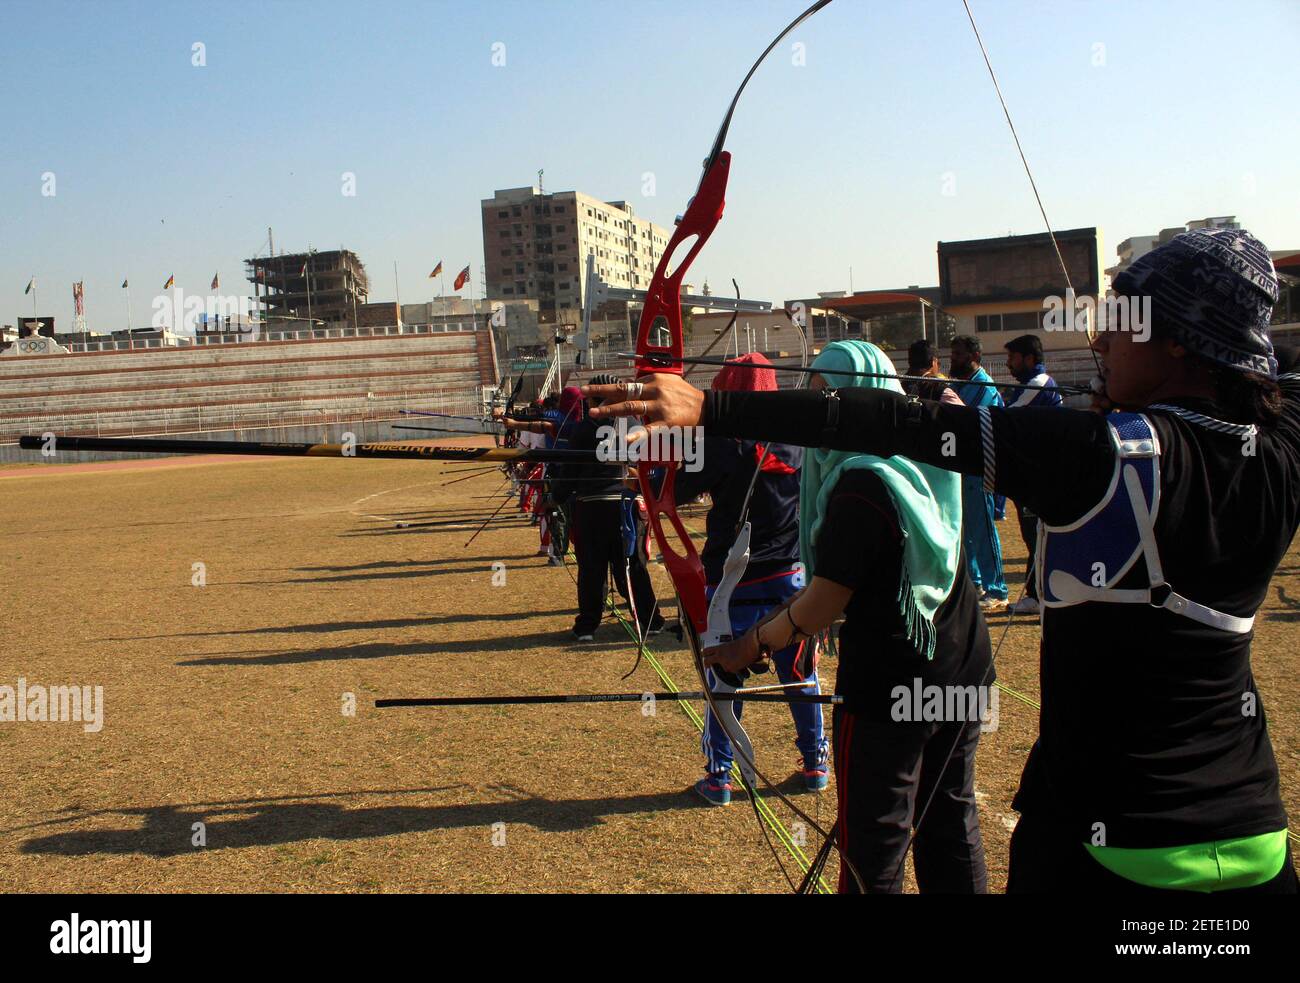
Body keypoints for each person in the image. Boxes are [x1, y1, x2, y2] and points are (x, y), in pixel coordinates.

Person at [586, 227, 1299, 895]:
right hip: (1257, 842)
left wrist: (712, 408)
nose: (1100, 332)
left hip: (1107, 847)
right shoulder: (1281, 449)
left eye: (1124, 317)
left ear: (1183, 342)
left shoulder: (1098, 455)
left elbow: (894, 423)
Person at [670, 353, 827, 804]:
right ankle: (816, 764)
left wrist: (671, 453)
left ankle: (720, 776)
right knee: (800, 674)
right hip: (789, 577)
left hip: (731, 581)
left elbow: (676, 491)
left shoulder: (722, 439)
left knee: (723, 671)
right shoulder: (797, 436)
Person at [549, 375, 662, 642]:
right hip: (628, 506)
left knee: (591, 568)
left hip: (592, 508)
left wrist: (557, 495)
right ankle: (650, 620)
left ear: (593, 399)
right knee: (633, 565)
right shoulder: (635, 423)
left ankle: (587, 626)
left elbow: (569, 472)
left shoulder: (585, 428)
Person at [1000, 334, 1063, 615]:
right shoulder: (1030, 385)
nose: (1008, 364)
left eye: (1013, 358)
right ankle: (1040, 593)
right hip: (1033, 472)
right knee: (1034, 535)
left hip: (1040, 474)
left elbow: (1005, 418)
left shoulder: (1038, 384)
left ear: (1029, 358)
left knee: (1036, 535)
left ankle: (1038, 596)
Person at [948, 335, 1008, 612]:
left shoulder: (985, 387)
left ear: (975, 357)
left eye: (959, 354)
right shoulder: (957, 384)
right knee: (965, 532)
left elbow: (970, 419)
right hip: (961, 469)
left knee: (983, 530)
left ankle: (997, 589)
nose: (953, 359)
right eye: (952, 354)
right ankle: (976, 583)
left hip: (980, 469)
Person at [905, 339, 963, 406]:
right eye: (938, 363)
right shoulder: (940, 390)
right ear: (933, 361)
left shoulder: (900, 385)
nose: (939, 367)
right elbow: (965, 413)